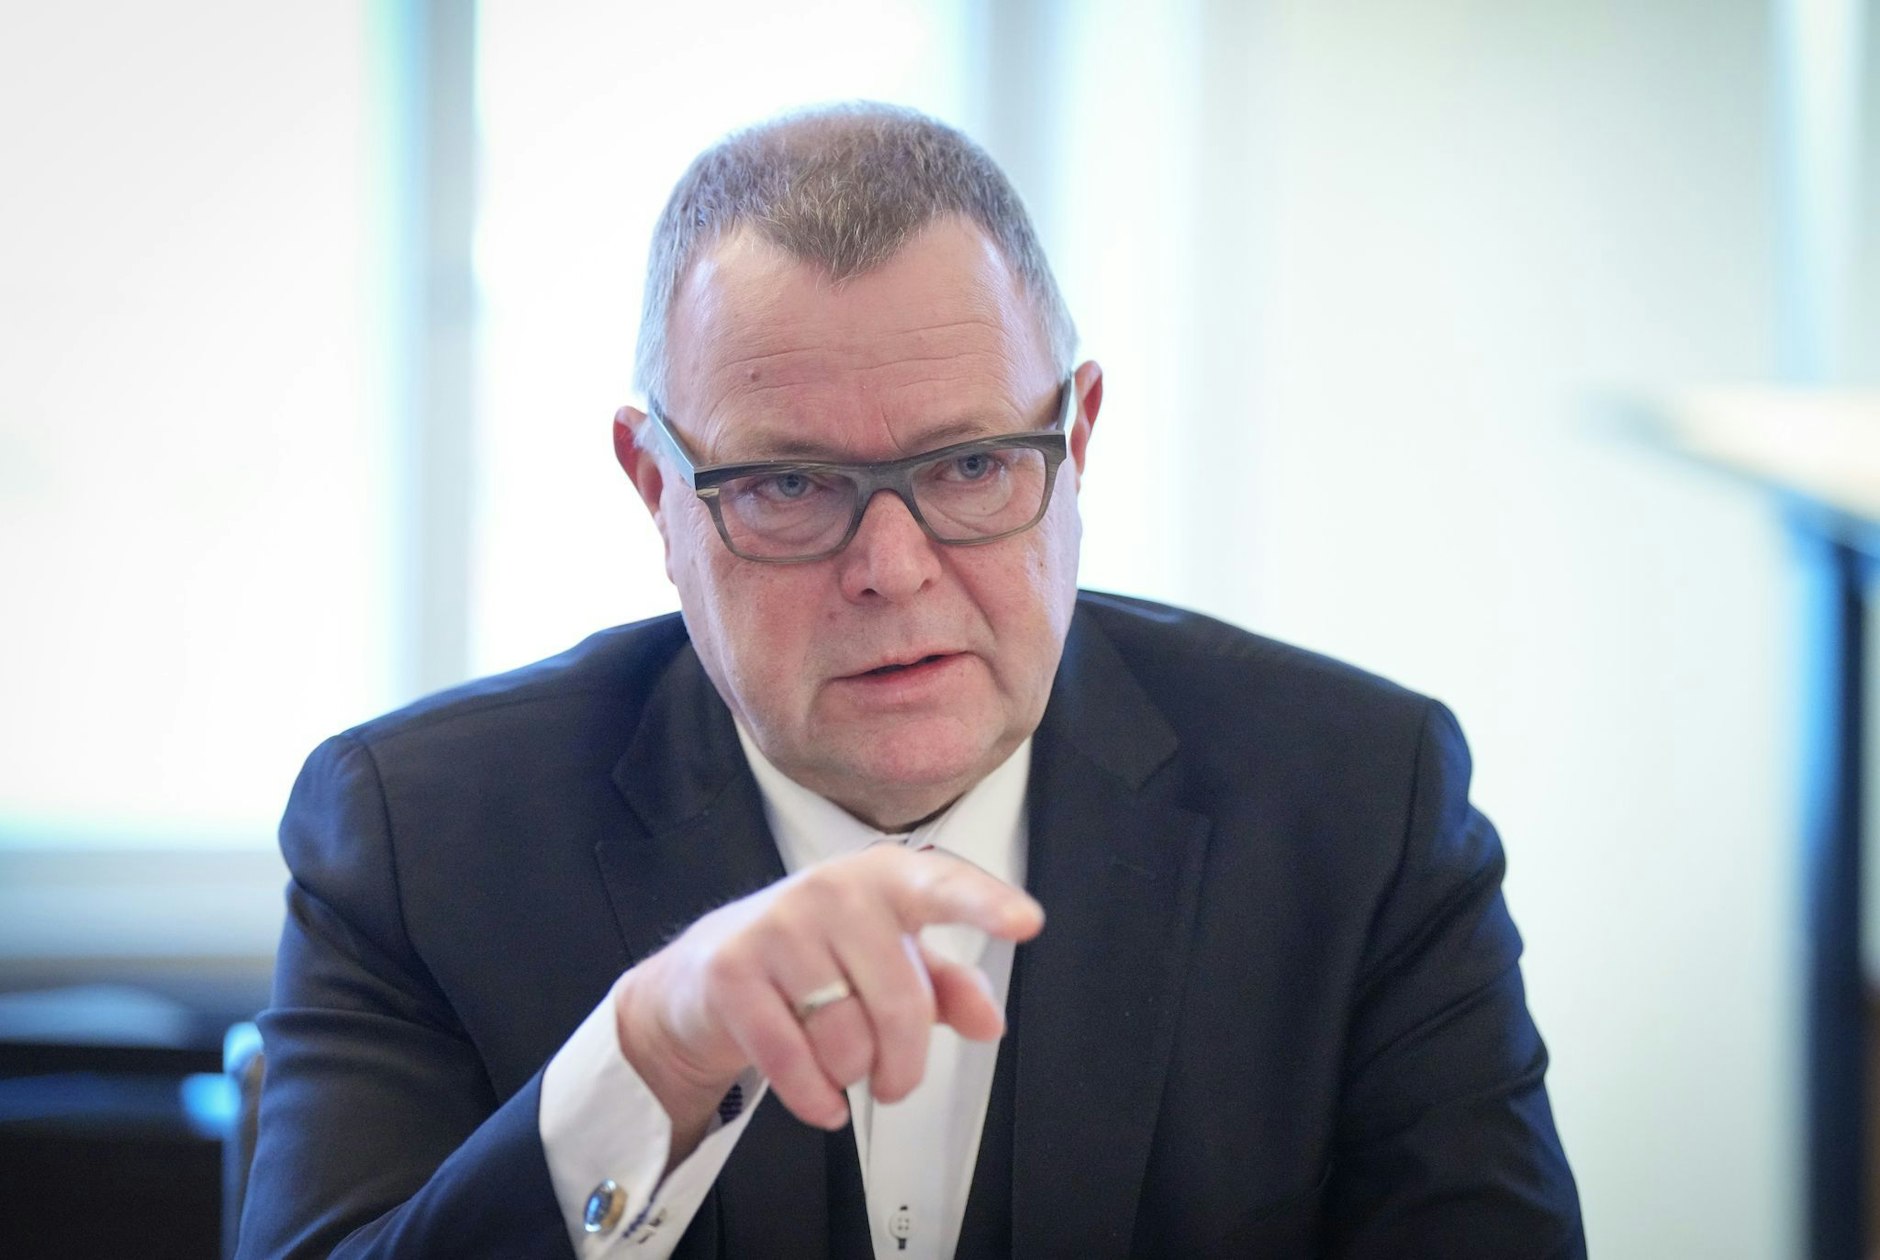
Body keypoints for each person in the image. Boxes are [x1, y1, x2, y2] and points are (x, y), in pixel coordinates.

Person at [239, 103, 1584, 1259]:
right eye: (786, 484)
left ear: (1077, 438)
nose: (891, 568)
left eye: (971, 466)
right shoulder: (416, 834)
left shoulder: (1362, 807)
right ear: (656, 489)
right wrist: (647, 1063)